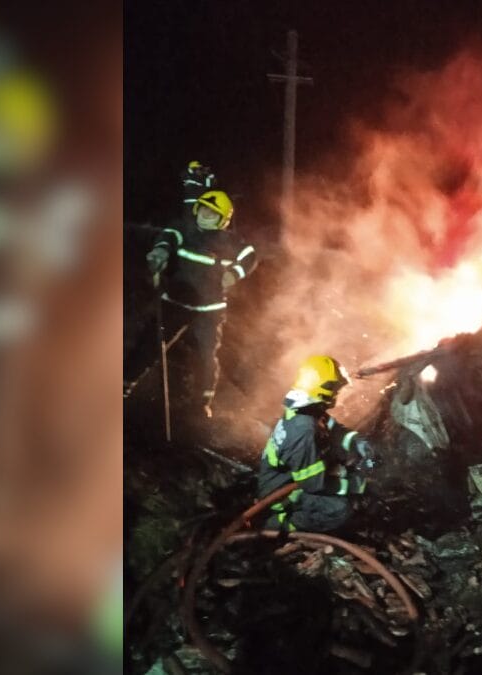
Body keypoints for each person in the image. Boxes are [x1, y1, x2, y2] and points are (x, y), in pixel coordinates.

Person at [143, 189, 257, 418]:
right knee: (149, 344)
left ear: (223, 220)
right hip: (176, 301)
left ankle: (202, 403)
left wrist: (234, 273)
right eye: (203, 209)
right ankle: (124, 383)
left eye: (213, 213)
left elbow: (249, 255)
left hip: (209, 310)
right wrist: (160, 252)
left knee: (206, 356)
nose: (206, 215)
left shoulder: (229, 241)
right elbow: (169, 235)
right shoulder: (185, 229)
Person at [256, 356, 376, 532]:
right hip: (282, 495)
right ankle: (279, 524)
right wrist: (354, 485)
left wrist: (358, 442)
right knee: (339, 509)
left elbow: (335, 430)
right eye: (335, 389)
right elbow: (313, 484)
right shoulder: (302, 430)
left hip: (295, 480)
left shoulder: (306, 410)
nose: (337, 393)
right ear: (323, 389)